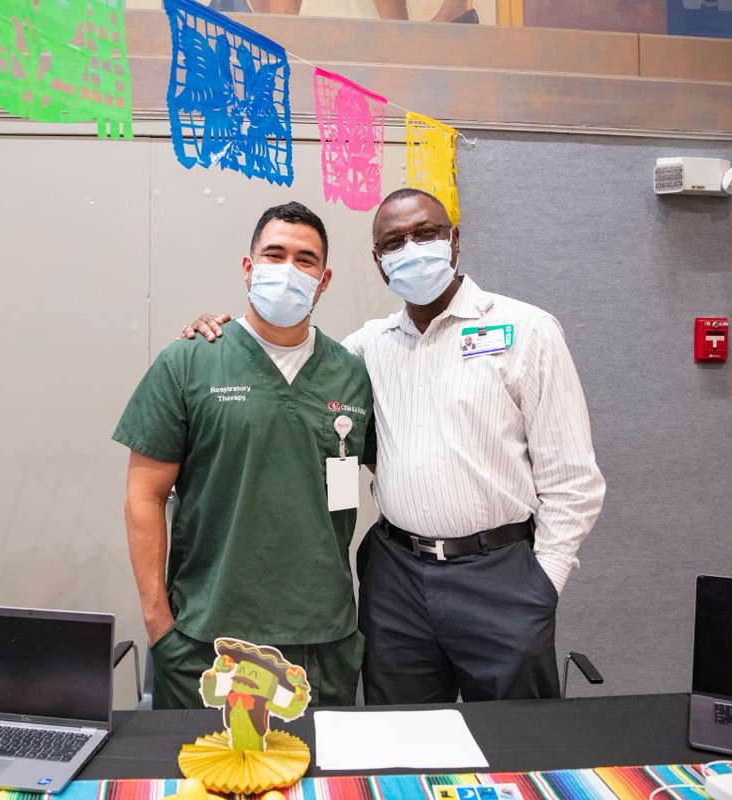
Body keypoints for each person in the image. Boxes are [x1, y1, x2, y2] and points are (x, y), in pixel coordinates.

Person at [183, 188, 605, 704]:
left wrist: (541, 586)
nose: (412, 248)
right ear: (382, 266)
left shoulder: (526, 331)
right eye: (394, 242)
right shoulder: (366, 349)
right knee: (399, 745)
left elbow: (573, 481)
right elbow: (293, 366)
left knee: (514, 748)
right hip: (396, 580)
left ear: (454, 240)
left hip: (502, 579)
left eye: (425, 234)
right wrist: (220, 333)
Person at [113, 201, 375, 710]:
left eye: (305, 260)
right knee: (204, 785)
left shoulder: (350, 373)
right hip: (207, 638)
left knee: (315, 788)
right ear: (248, 268)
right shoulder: (189, 360)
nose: (288, 269)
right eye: (274, 254)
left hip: (321, 638)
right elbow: (143, 495)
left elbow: (395, 472)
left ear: (323, 281)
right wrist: (159, 627)